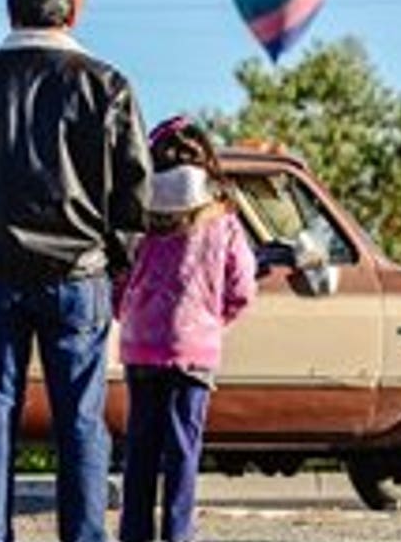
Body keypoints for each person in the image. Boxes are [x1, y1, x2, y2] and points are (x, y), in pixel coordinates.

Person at [0, 0, 152, 542]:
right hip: (79, 276)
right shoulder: (107, 84)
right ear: (72, 8)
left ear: (12, 6)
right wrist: (111, 257)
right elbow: (135, 190)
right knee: (80, 420)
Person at [115, 117, 258, 542]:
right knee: (182, 453)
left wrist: (132, 316)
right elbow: (243, 286)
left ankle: (134, 535)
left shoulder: (138, 218)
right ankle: (177, 535)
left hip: (141, 348)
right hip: (193, 351)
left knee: (140, 451)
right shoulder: (222, 220)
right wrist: (215, 320)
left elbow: (117, 280)